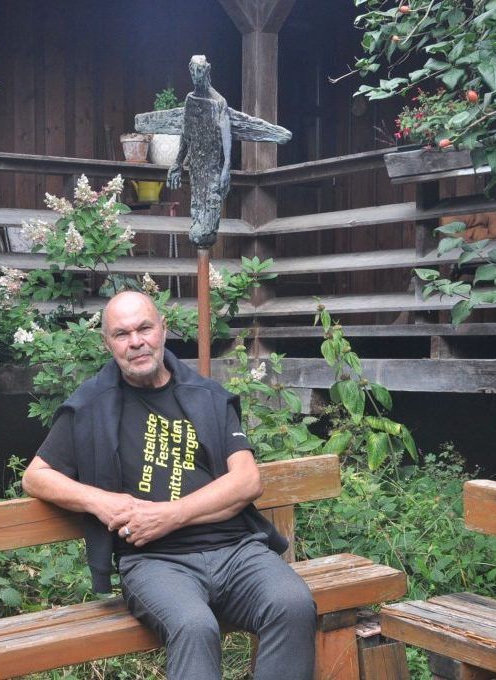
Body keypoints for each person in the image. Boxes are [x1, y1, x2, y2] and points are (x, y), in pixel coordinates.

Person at [22, 291, 316, 680]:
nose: (136, 342)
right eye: (122, 334)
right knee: (194, 626)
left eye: (144, 328)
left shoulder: (207, 396)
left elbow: (247, 481)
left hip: (236, 551)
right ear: (108, 343)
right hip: (155, 563)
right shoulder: (91, 405)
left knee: (293, 603)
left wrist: (169, 515)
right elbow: (35, 476)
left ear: (162, 329)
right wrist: (100, 501)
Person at [166, 55, 232, 248]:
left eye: (200, 70)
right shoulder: (190, 99)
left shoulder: (219, 102)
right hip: (196, 167)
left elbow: (226, 135)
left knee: (209, 218)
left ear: (207, 70)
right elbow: (186, 135)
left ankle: (206, 238)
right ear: (189, 70)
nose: (196, 75)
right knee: (196, 216)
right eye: (193, 70)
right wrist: (177, 163)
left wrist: (226, 167)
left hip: (212, 167)